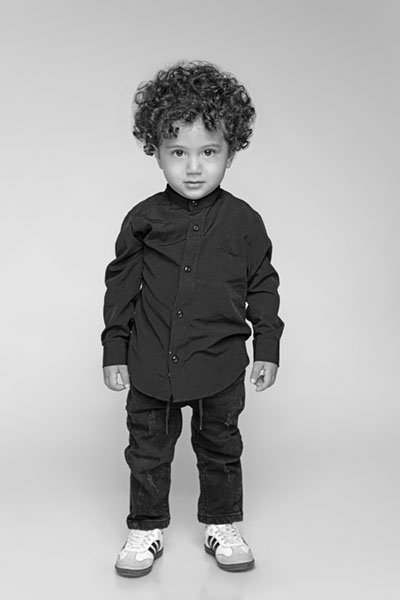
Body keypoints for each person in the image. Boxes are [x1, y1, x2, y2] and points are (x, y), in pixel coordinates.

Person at [101, 59, 285, 577]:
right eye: (178, 152)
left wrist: (267, 347)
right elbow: (121, 287)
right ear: (156, 152)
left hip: (219, 365)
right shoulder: (143, 219)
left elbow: (263, 285)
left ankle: (222, 523)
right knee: (147, 452)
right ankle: (146, 528)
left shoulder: (245, 222)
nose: (194, 168)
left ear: (231, 151)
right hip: (151, 363)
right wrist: (114, 349)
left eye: (209, 152)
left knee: (221, 449)